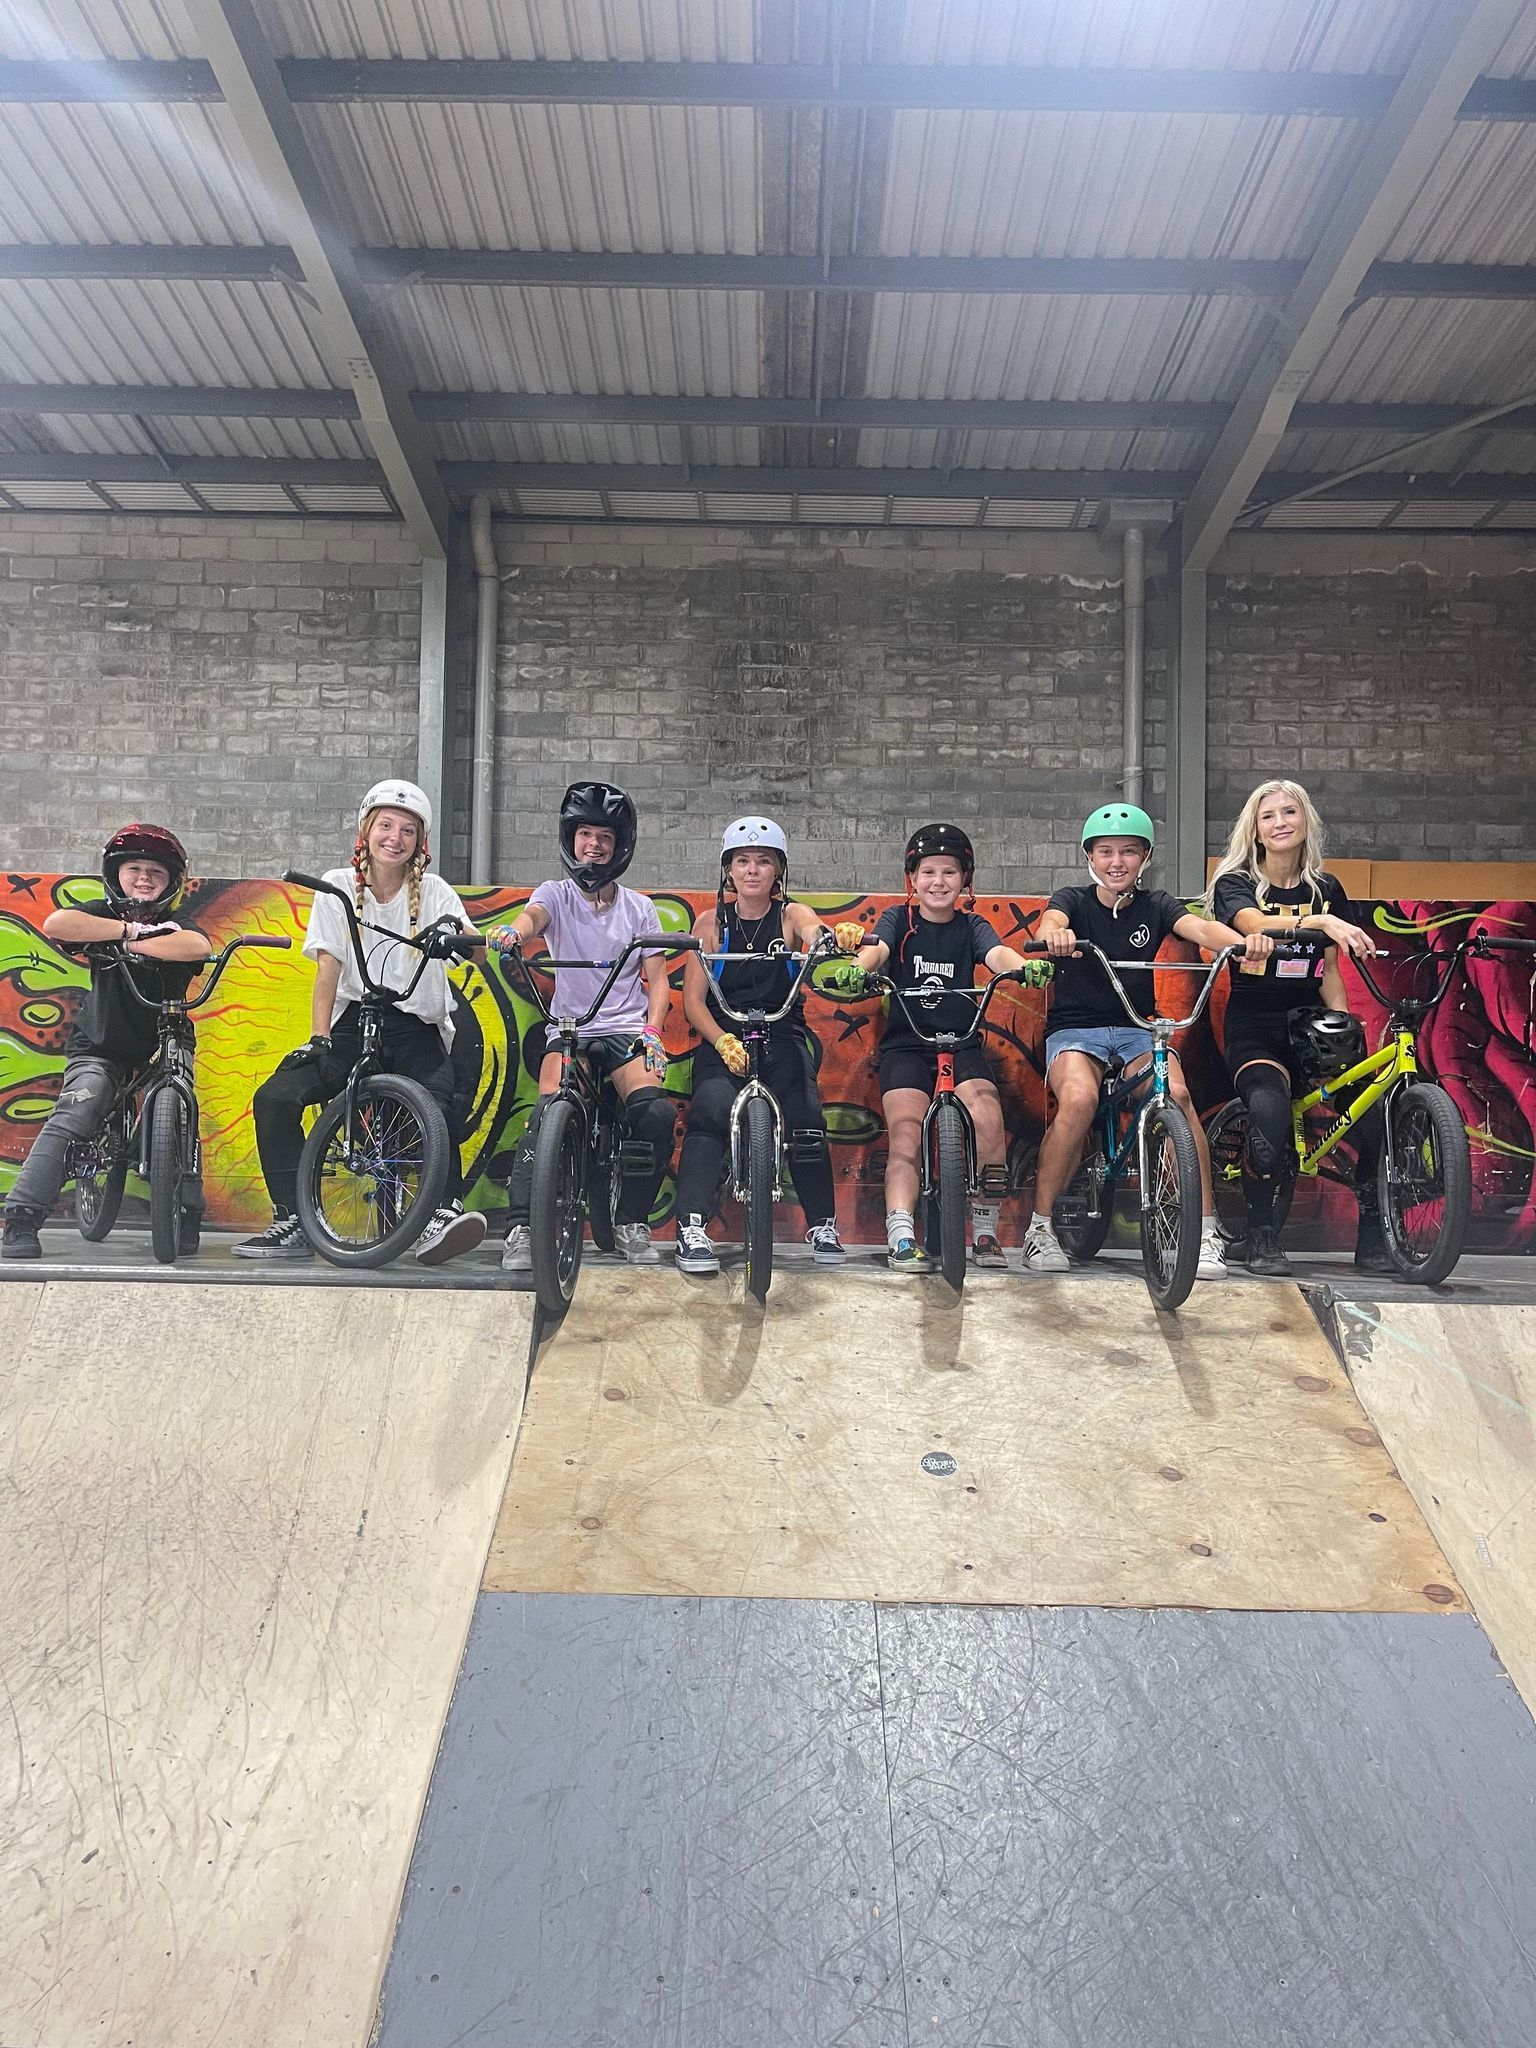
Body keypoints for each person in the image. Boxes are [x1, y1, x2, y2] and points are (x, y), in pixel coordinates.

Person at [234, 778, 487, 1265]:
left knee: (438, 1106)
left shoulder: (433, 890)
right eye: (386, 826)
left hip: (418, 1026)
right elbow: (328, 966)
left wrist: (454, 932)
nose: (395, 837)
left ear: (421, 842)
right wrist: (320, 1037)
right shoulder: (338, 888)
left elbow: (471, 946)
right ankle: (294, 1215)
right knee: (275, 1097)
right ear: (366, 831)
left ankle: (440, 1215)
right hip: (355, 1022)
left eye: (408, 830)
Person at [1025, 802, 1269, 1277]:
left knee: (1176, 1095)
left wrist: (1239, 942)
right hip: (1076, 1030)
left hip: (1137, 1028)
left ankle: (1204, 1234)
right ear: (1089, 857)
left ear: (1146, 857)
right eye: (1106, 852)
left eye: (1129, 852)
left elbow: (1198, 927)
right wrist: (1056, 937)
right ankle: (1040, 1229)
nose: (1117, 862)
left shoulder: (1156, 905)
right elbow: (1049, 924)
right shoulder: (1072, 899)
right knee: (1078, 1100)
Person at [841, 823, 1051, 1272]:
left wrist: (1023, 968)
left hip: (961, 1046)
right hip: (907, 1048)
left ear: (965, 880)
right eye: (929, 872)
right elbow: (876, 952)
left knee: (991, 1121)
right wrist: (859, 969)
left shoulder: (973, 925)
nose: (938, 882)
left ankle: (985, 1229)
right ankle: (900, 1234)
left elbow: (998, 955)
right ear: (912, 879)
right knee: (904, 1133)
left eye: (949, 873)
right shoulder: (900, 920)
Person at [487, 782, 678, 1269]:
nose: (594, 844)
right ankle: (524, 1231)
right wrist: (515, 931)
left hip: (623, 1030)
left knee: (654, 1114)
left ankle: (633, 1221)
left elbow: (658, 982)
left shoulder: (639, 907)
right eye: (585, 834)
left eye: (605, 837)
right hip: (569, 1029)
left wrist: (652, 1033)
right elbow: (533, 918)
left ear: (620, 846)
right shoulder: (556, 894)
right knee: (547, 1112)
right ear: (571, 839)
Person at [1205, 778, 1390, 1278]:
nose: (1280, 822)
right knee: (1267, 1107)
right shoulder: (1236, 882)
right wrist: (1324, 924)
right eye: (1269, 816)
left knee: (1371, 1115)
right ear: (1256, 830)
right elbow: (1250, 925)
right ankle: (1263, 1235)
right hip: (1255, 1022)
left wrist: (1345, 1030)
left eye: (1290, 812)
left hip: (1310, 1021)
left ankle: (1375, 1234)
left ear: (1306, 821)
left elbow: (1329, 973)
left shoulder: (1326, 889)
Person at [2, 824, 210, 1260]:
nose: (144, 878)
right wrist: (130, 933)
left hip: (165, 1040)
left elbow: (194, 946)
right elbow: (60, 922)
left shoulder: (179, 922)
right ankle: (22, 1217)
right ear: (116, 874)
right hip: (100, 1042)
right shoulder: (104, 913)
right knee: (79, 1108)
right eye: (134, 868)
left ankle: (188, 1211)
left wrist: (138, 937)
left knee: (182, 1102)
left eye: (156, 871)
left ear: (171, 881)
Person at [671, 816, 861, 1275]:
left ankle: (822, 1225)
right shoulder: (710, 921)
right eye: (742, 861)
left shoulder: (791, 915)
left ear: (778, 870)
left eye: (763, 861)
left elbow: (816, 932)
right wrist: (721, 1042)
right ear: (728, 870)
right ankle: (691, 1226)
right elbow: (694, 1002)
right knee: (709, 1115)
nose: (753, 870)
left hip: (782, 1029)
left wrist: (836, 939)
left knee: (806, 1117)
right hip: (725, 1032)